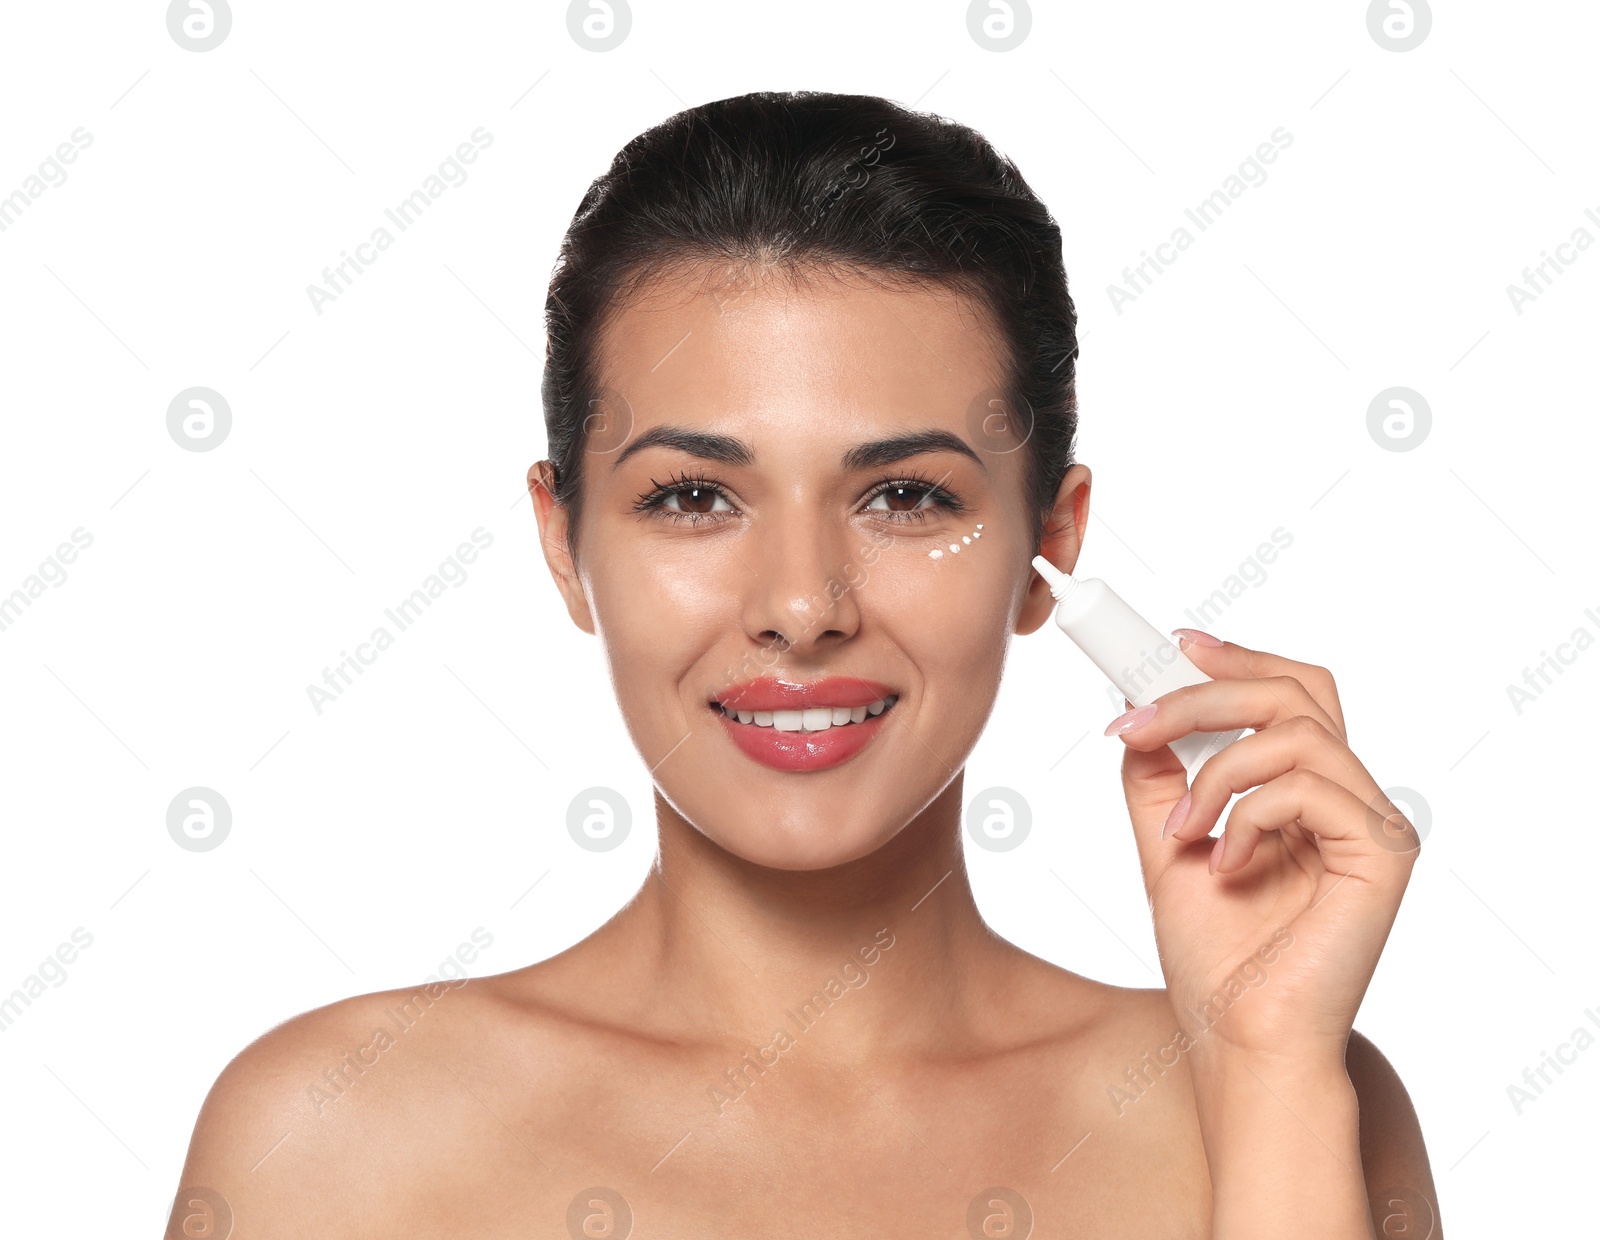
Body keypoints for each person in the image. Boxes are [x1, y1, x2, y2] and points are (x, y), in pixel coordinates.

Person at [168, 90, 1439, 1238]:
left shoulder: (1293, 1084)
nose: (798, 605)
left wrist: (1266, 1066)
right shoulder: (331, 1139)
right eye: (688, 498)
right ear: (563, 545)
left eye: (902, 495)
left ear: (1046, 545)